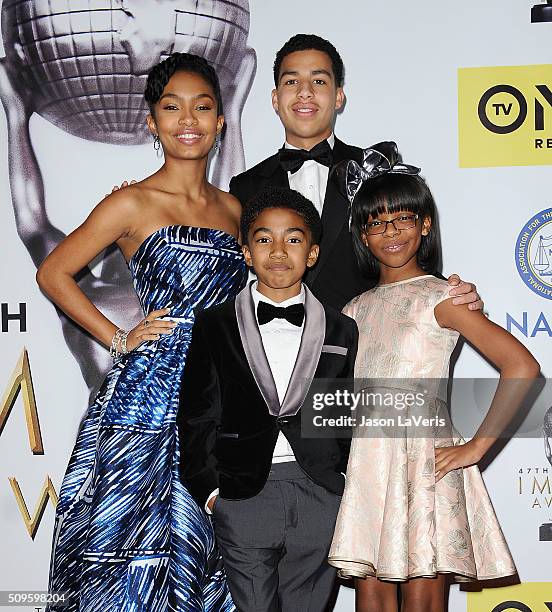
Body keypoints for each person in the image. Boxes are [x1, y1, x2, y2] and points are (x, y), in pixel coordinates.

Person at [36, 53, 245, 611]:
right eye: (171, 107)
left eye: (203, 107)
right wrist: (119, 337)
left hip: (221, 391)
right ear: (151, 122)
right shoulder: (132, 201)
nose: (188, 120)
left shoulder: (235, 210)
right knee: (135, 542)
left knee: (211, 543)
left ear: (220, 120)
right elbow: (53, 272)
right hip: (150, 395)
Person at [327, 142, 541, 612]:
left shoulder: (442, 298)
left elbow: (522, 367)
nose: (390, 232)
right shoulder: (352, 310)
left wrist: (477, 447)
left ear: (425, 225)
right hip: (370, 467)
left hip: (424, 464)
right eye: (376, 222)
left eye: (403, 218)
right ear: (362, 235)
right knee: (372, 602)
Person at [177, 187, 358, 612]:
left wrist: (343, 483)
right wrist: (209, 491)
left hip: (319, 491)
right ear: (245, 251)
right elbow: (197, 413)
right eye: (263, 239)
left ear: (312, 253)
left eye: (293, 239)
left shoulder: (341, 328)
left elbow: (345, 414)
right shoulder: (214, 323)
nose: (278, 251)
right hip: (243, 494)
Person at [229, 33, 481, 312]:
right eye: (292, 81)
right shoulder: (245, 187)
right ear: (275, 99)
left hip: (363, 339)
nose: (305, 92)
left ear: (338, 97)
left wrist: (451, 295)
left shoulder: (377, 168)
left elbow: (411, 257)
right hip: (275, 345)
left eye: (319, 81)